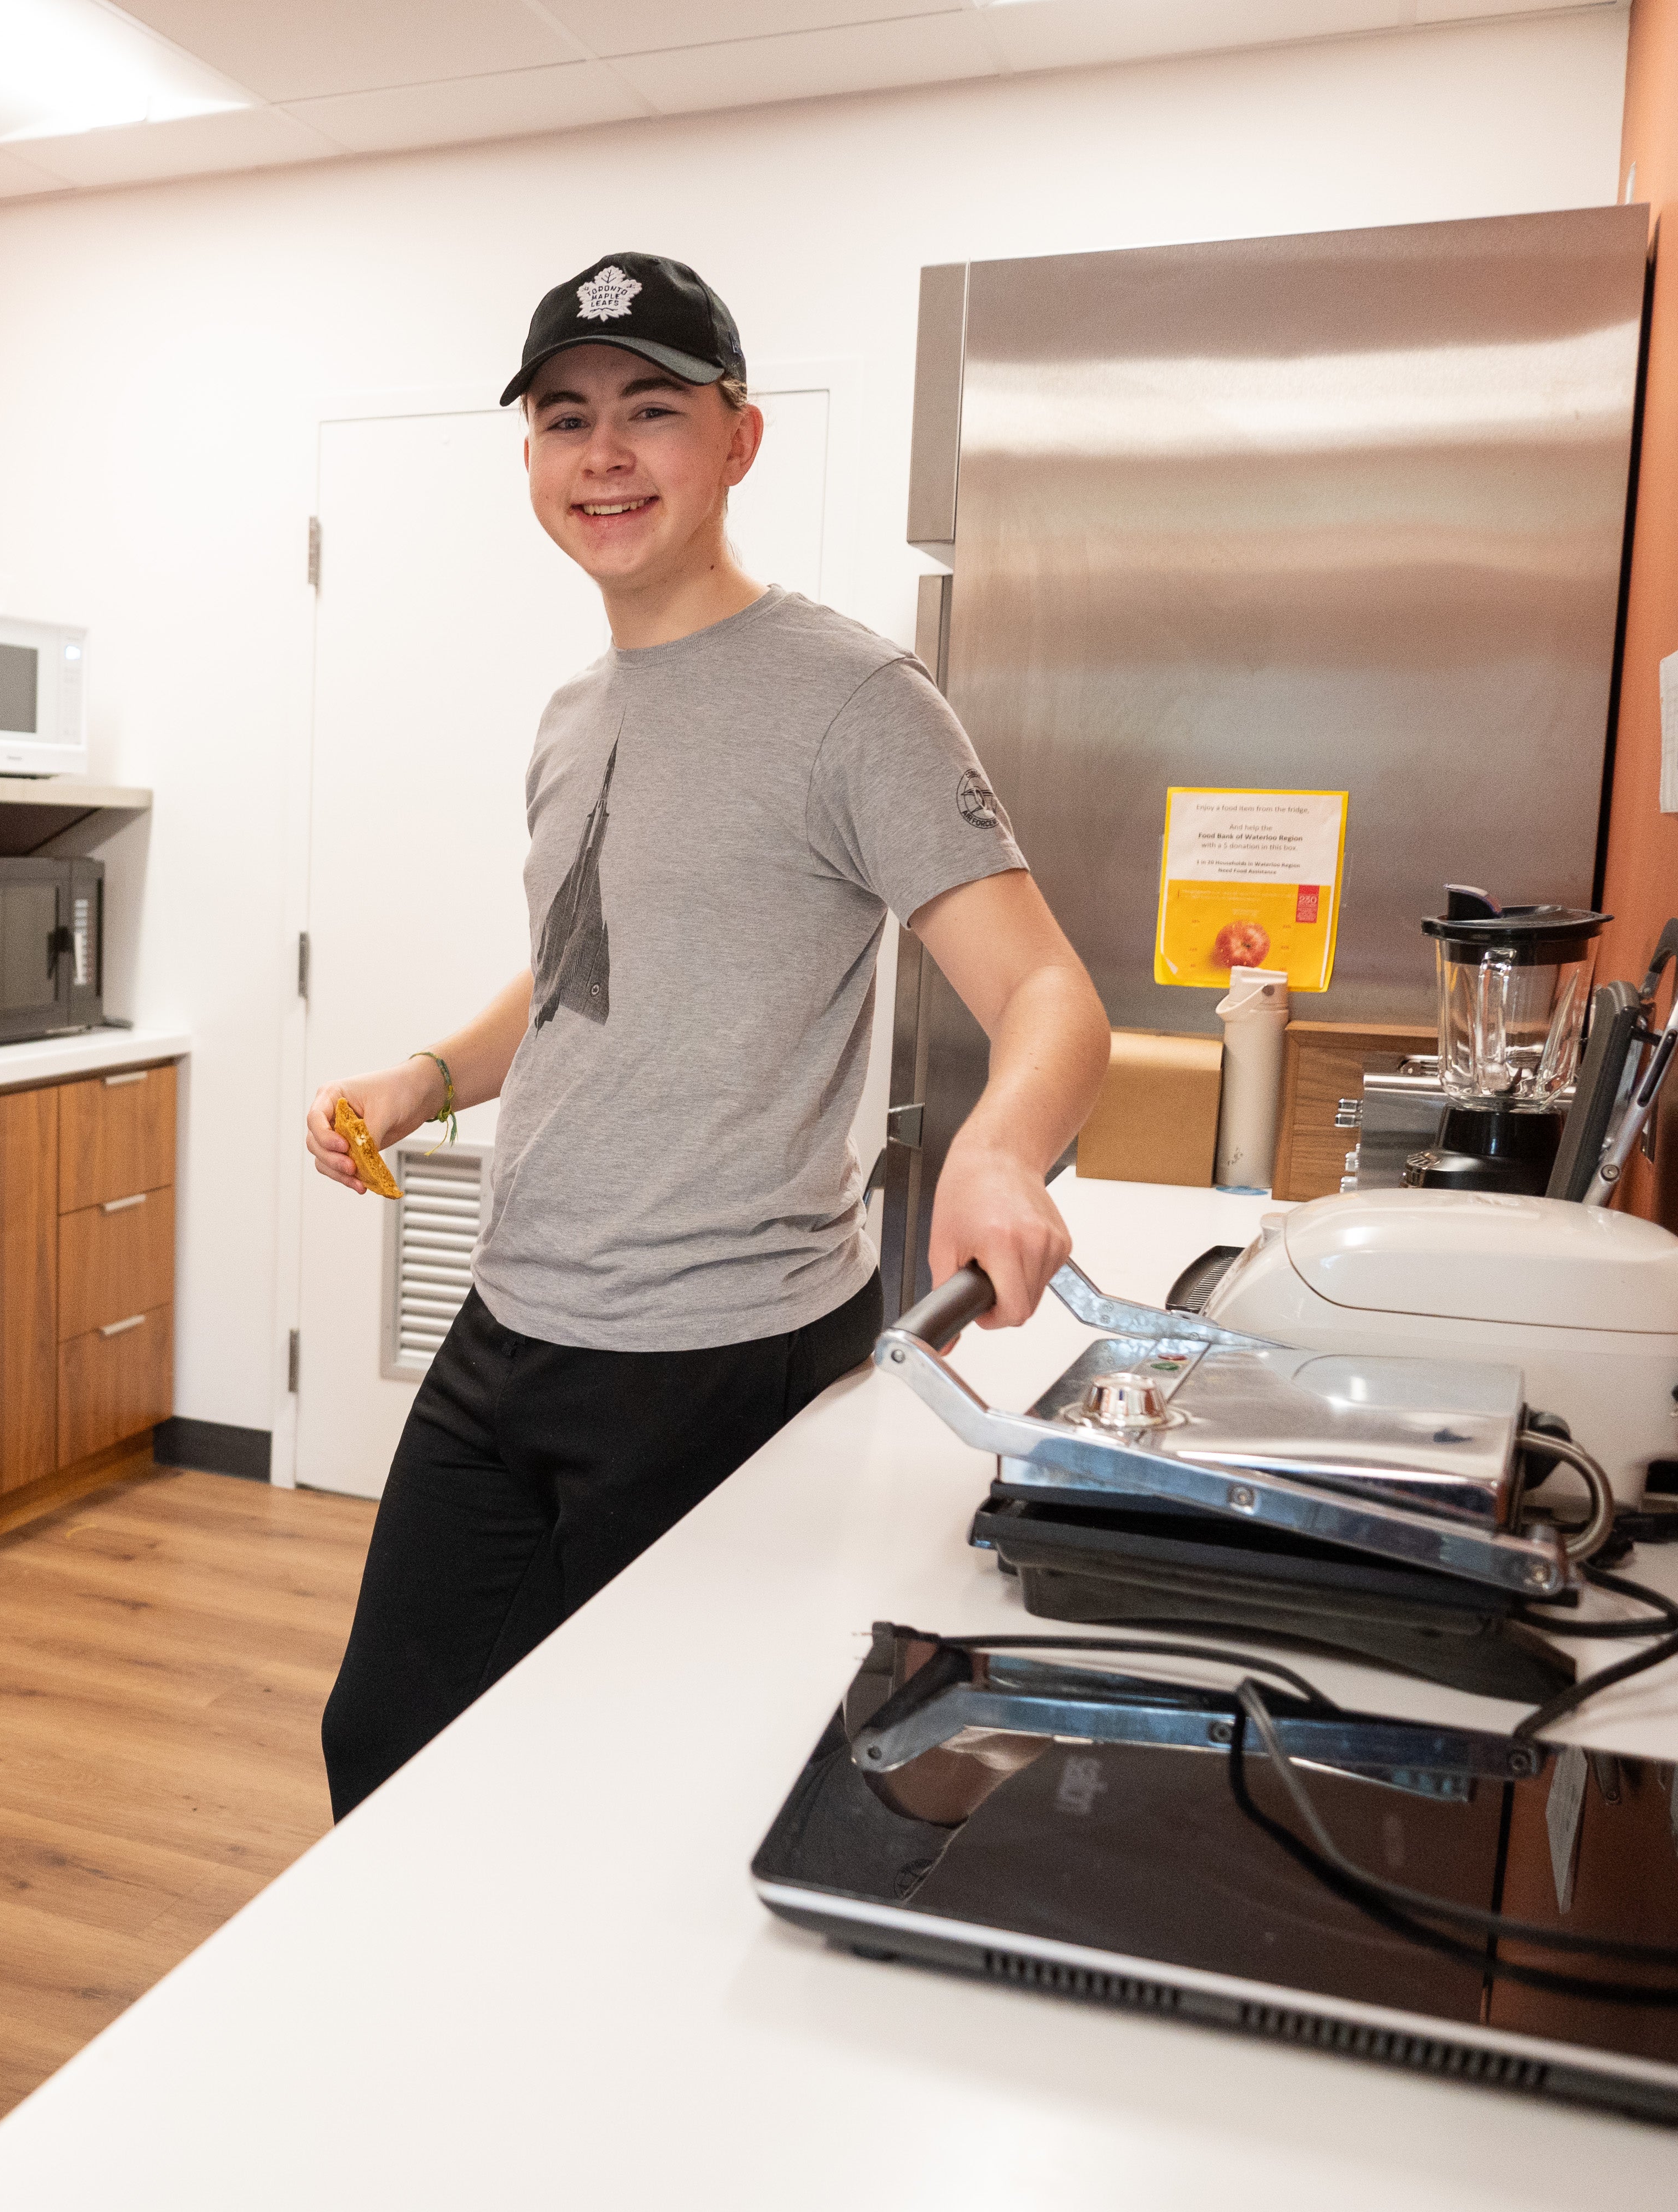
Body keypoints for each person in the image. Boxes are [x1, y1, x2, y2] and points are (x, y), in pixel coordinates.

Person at [306, 254, 1110, 1820]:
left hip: (723, 1356)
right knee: (387, 1752)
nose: (605, 455)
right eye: (566, 417)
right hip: (514, 1326)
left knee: (661, 1796)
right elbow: (576, 975)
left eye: (652, 411)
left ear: (736, 442)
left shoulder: (852, 697)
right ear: (531, 458)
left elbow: (1049, 994)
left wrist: (999, 1152)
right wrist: (423, 1079)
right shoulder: (574, 713)